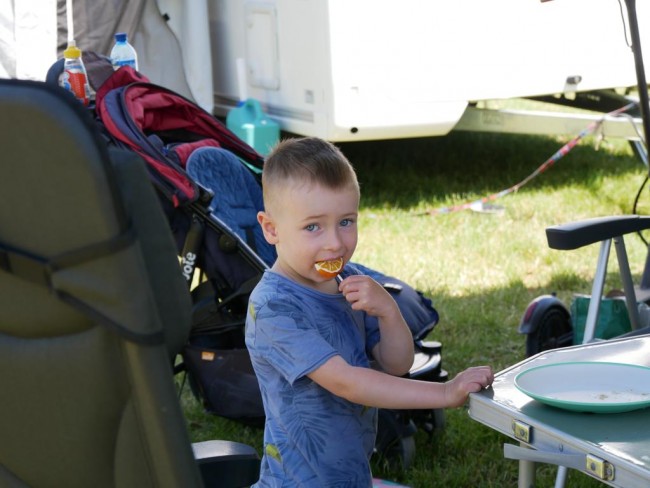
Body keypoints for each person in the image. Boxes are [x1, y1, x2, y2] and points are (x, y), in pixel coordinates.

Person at [245, 137, 494, 487]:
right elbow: (347, 382)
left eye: (346, 221)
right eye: (313, 226)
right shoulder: (273, 307)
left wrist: (389, 312)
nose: (335, 242)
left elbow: (397, 364)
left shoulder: (349, 280)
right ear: (271, 229)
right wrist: (444, 393)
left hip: (351, 472)